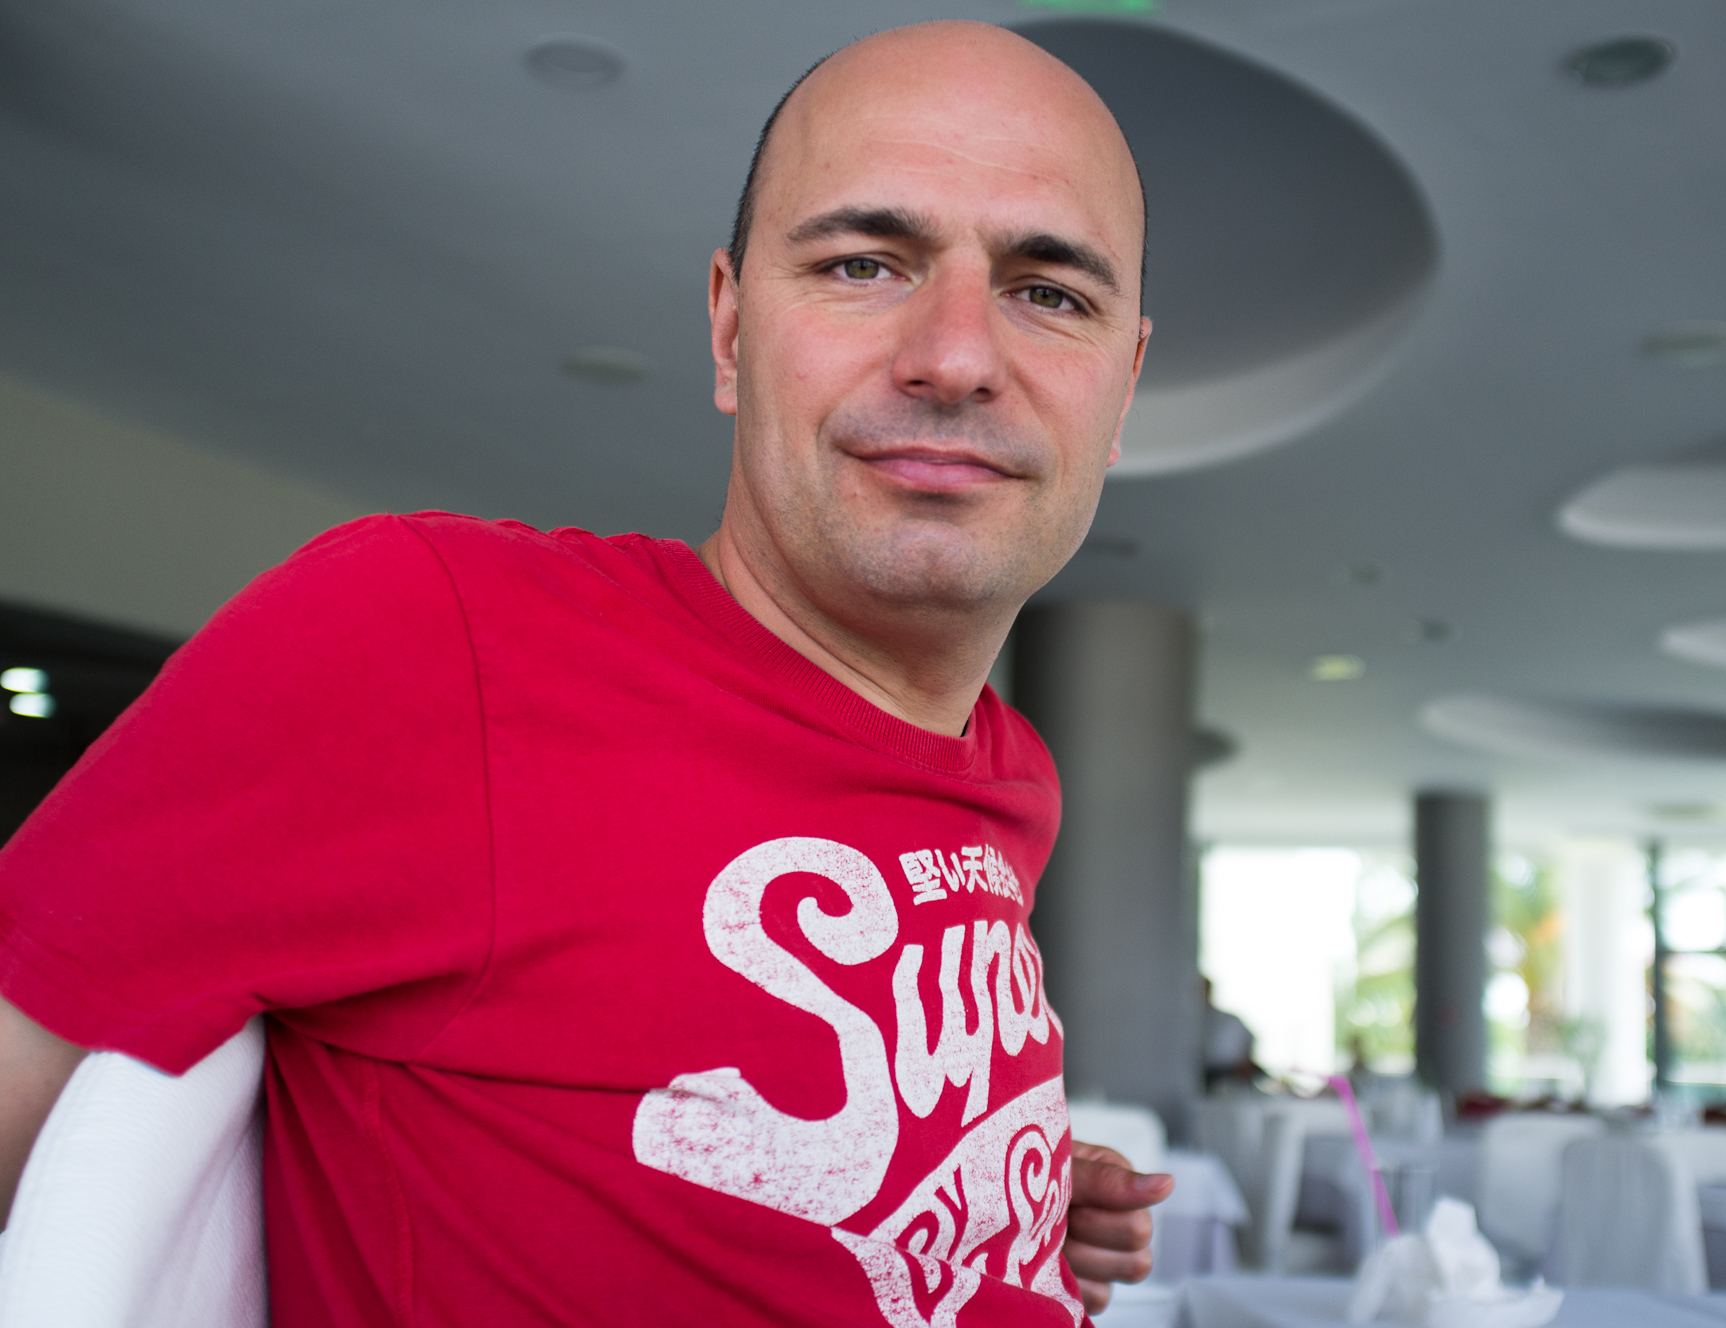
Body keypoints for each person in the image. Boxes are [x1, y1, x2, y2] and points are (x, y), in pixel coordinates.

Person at [0, 21, 1175, 1326]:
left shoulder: (1009, 769)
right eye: (861, 263)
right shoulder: (428, 640)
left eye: (1048, 293)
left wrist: (997, 1192)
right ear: (730, 329)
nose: (953, 356)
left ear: (1120, 389)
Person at [1199, 976, 1262, 1088]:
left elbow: (1250, 1040)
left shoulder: (1229, 1019)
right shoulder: (1188, 1023)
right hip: (1203, 1074)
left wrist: (1243, 1065)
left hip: (1229, 1075)